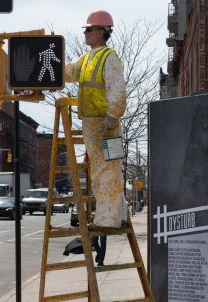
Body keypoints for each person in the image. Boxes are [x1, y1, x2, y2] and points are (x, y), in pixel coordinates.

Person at [65, 10, 128, 229]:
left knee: (107, 171)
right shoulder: (88, 58)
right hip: (93, 124)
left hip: (106, 125)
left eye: (89, 29)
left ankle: (108, 219)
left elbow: (117, 89)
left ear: (101, 32)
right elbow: (69, 72)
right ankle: (117, 215)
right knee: (102, 170)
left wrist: (112, 117)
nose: (85, 32)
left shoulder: (108, 57)